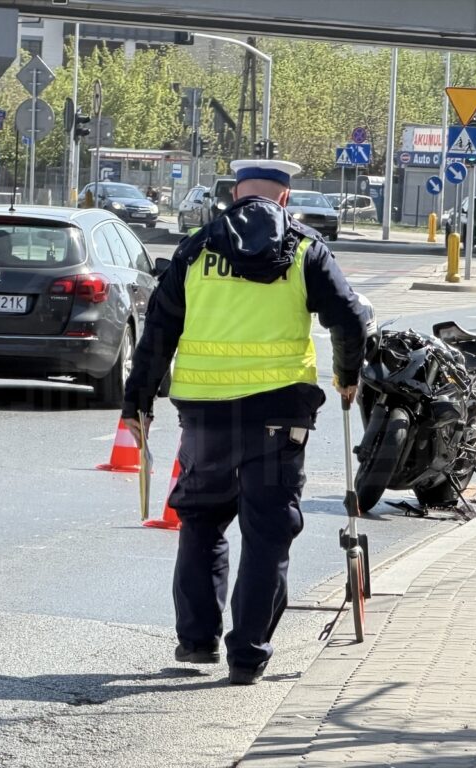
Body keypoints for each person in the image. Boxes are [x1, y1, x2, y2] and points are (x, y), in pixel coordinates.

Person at [120, 158, 370, 686]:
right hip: (280, 416)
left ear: (233, 193)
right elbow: (349, 316)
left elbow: (158, 332)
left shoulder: (195, 248)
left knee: (202, 521)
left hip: (206, 415)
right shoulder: (304, 249)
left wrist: (137, 403)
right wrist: (348, 375)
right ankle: (248, 655)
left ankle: (196, 640)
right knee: (268, 532)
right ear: (285, 197)